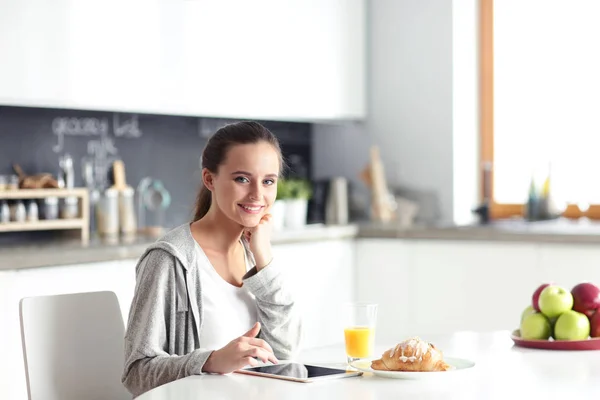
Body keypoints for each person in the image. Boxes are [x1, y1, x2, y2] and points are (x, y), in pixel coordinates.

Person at [121, 121, 303, 397]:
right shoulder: (170, 260)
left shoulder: (253, 254)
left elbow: (284, 355)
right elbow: (137, 374)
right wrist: (211, 361)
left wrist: (264, 259)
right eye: (242, 179)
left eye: (268, 181)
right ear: (209, 179)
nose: (257, 194)